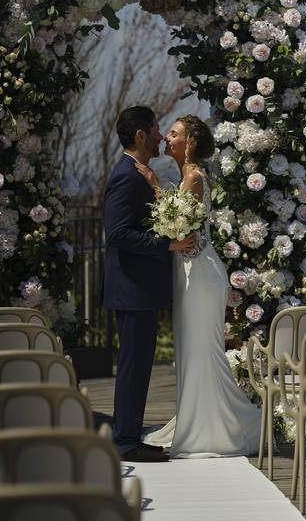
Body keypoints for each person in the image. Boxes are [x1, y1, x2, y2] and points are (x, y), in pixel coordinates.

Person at [138, 114, 261, 458]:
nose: (167, 139)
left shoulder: (193, 177)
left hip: (200, 273)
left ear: (189, 142)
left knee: (202, 350)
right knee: (191, 350)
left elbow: (179, 229)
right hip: (188, 271)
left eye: (174, 134)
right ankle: (195, 420)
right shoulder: (186, 176)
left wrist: (153, 185)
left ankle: (229, 425)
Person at [103, 106, 195, 462]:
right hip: (131, 289)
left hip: (137, 289)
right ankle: (125, 441)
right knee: (132, 367)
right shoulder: (127, 175)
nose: (160, 136)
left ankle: (129, 434)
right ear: (140, 135)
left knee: (138, 366)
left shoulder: (139, 173)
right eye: (156, 130)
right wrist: (166, 244)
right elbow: (118, 234)